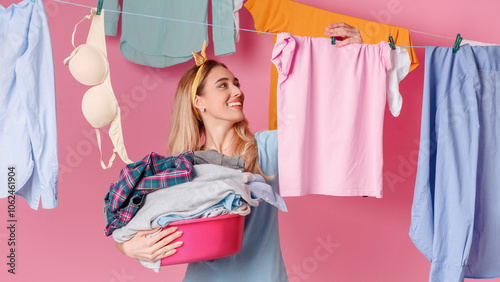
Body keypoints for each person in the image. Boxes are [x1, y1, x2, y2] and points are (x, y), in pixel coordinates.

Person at [115, 23, 362, 281]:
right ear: (199, 103)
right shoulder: (182, 168)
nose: (237, 91)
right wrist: (126, 246)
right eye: (223, 86)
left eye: (236, 83)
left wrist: (351, 57)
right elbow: (136, 217)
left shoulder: (266, 148)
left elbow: (333, 126)